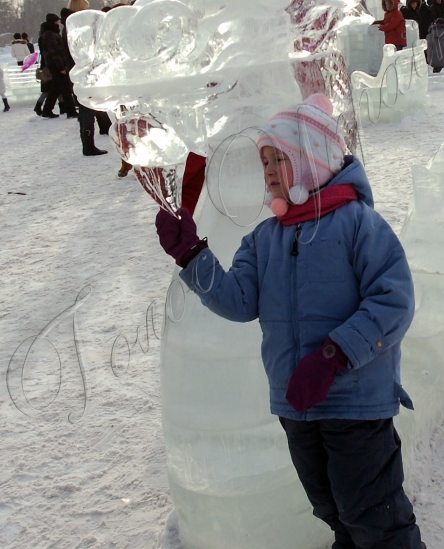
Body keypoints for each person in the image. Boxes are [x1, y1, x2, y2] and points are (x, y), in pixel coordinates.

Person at [155, 93, 426, 549]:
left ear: (311, 160)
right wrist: (192, 255)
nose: (267, 171)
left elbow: (394, 299)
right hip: (296, 406)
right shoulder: (263, 239)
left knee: (373, 510)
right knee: (331, 505)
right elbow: (238, 300)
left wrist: (333, 355)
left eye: (278, 158)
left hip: (355, 405)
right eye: (264, 161)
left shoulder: (358, 224)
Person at [60, 0, 108, 155]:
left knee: (90, 104)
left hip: (80, 69)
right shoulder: (75, 26)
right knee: (87, 106)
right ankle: (88, 144)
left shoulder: (70, 25)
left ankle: (95, 135)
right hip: (83, 70)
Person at [38, 15, 76, 119]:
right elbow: (54, 52)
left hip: (54, 65)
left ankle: (47, 110)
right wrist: (61, 67)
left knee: (55, 89)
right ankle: (71, 110)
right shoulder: (50, 35)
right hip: (56, 66)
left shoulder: (48, 33)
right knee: (66, 88)